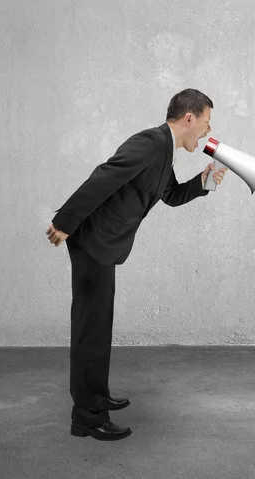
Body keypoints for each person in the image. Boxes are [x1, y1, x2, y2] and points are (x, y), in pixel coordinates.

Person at [45, 88, 227, 441]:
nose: (207, 131)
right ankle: (86, 416)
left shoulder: (164, 152)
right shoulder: (151, 142)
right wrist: (65, 222)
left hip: (104, 246)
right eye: (206, 123)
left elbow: (170, 195)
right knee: (90, 330)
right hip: (91, 242)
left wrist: (204, 182)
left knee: (99, 326)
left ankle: (95, 398)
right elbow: (104, 176)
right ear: (189, 118)